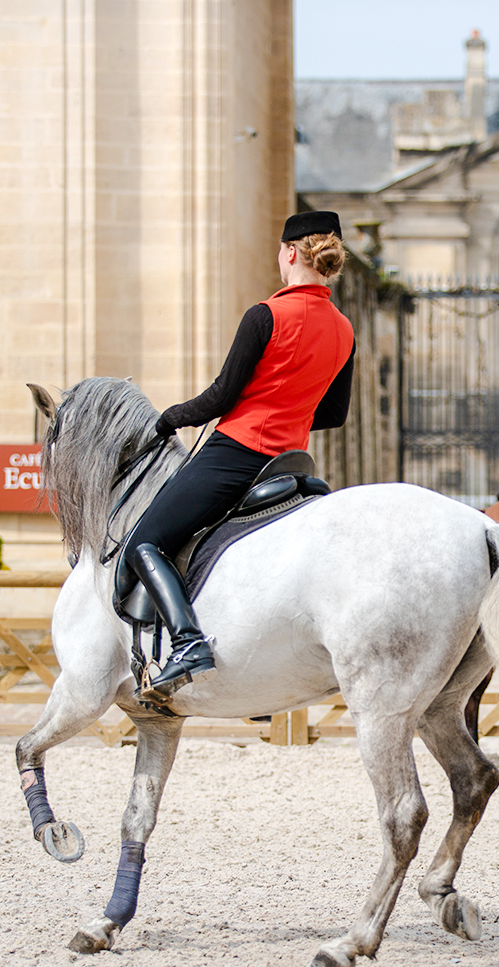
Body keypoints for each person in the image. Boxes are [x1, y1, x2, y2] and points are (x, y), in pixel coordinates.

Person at [126, 210, 355, 697]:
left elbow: (221, 398)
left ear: (290, 252)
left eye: (280, 251)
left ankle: (188, 643)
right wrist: (287, 412)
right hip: (290, 462)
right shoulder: (343, 329)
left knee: (145, 541)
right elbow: (333, 414)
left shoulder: (266, 314)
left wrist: (168, 417)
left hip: (237, 454)